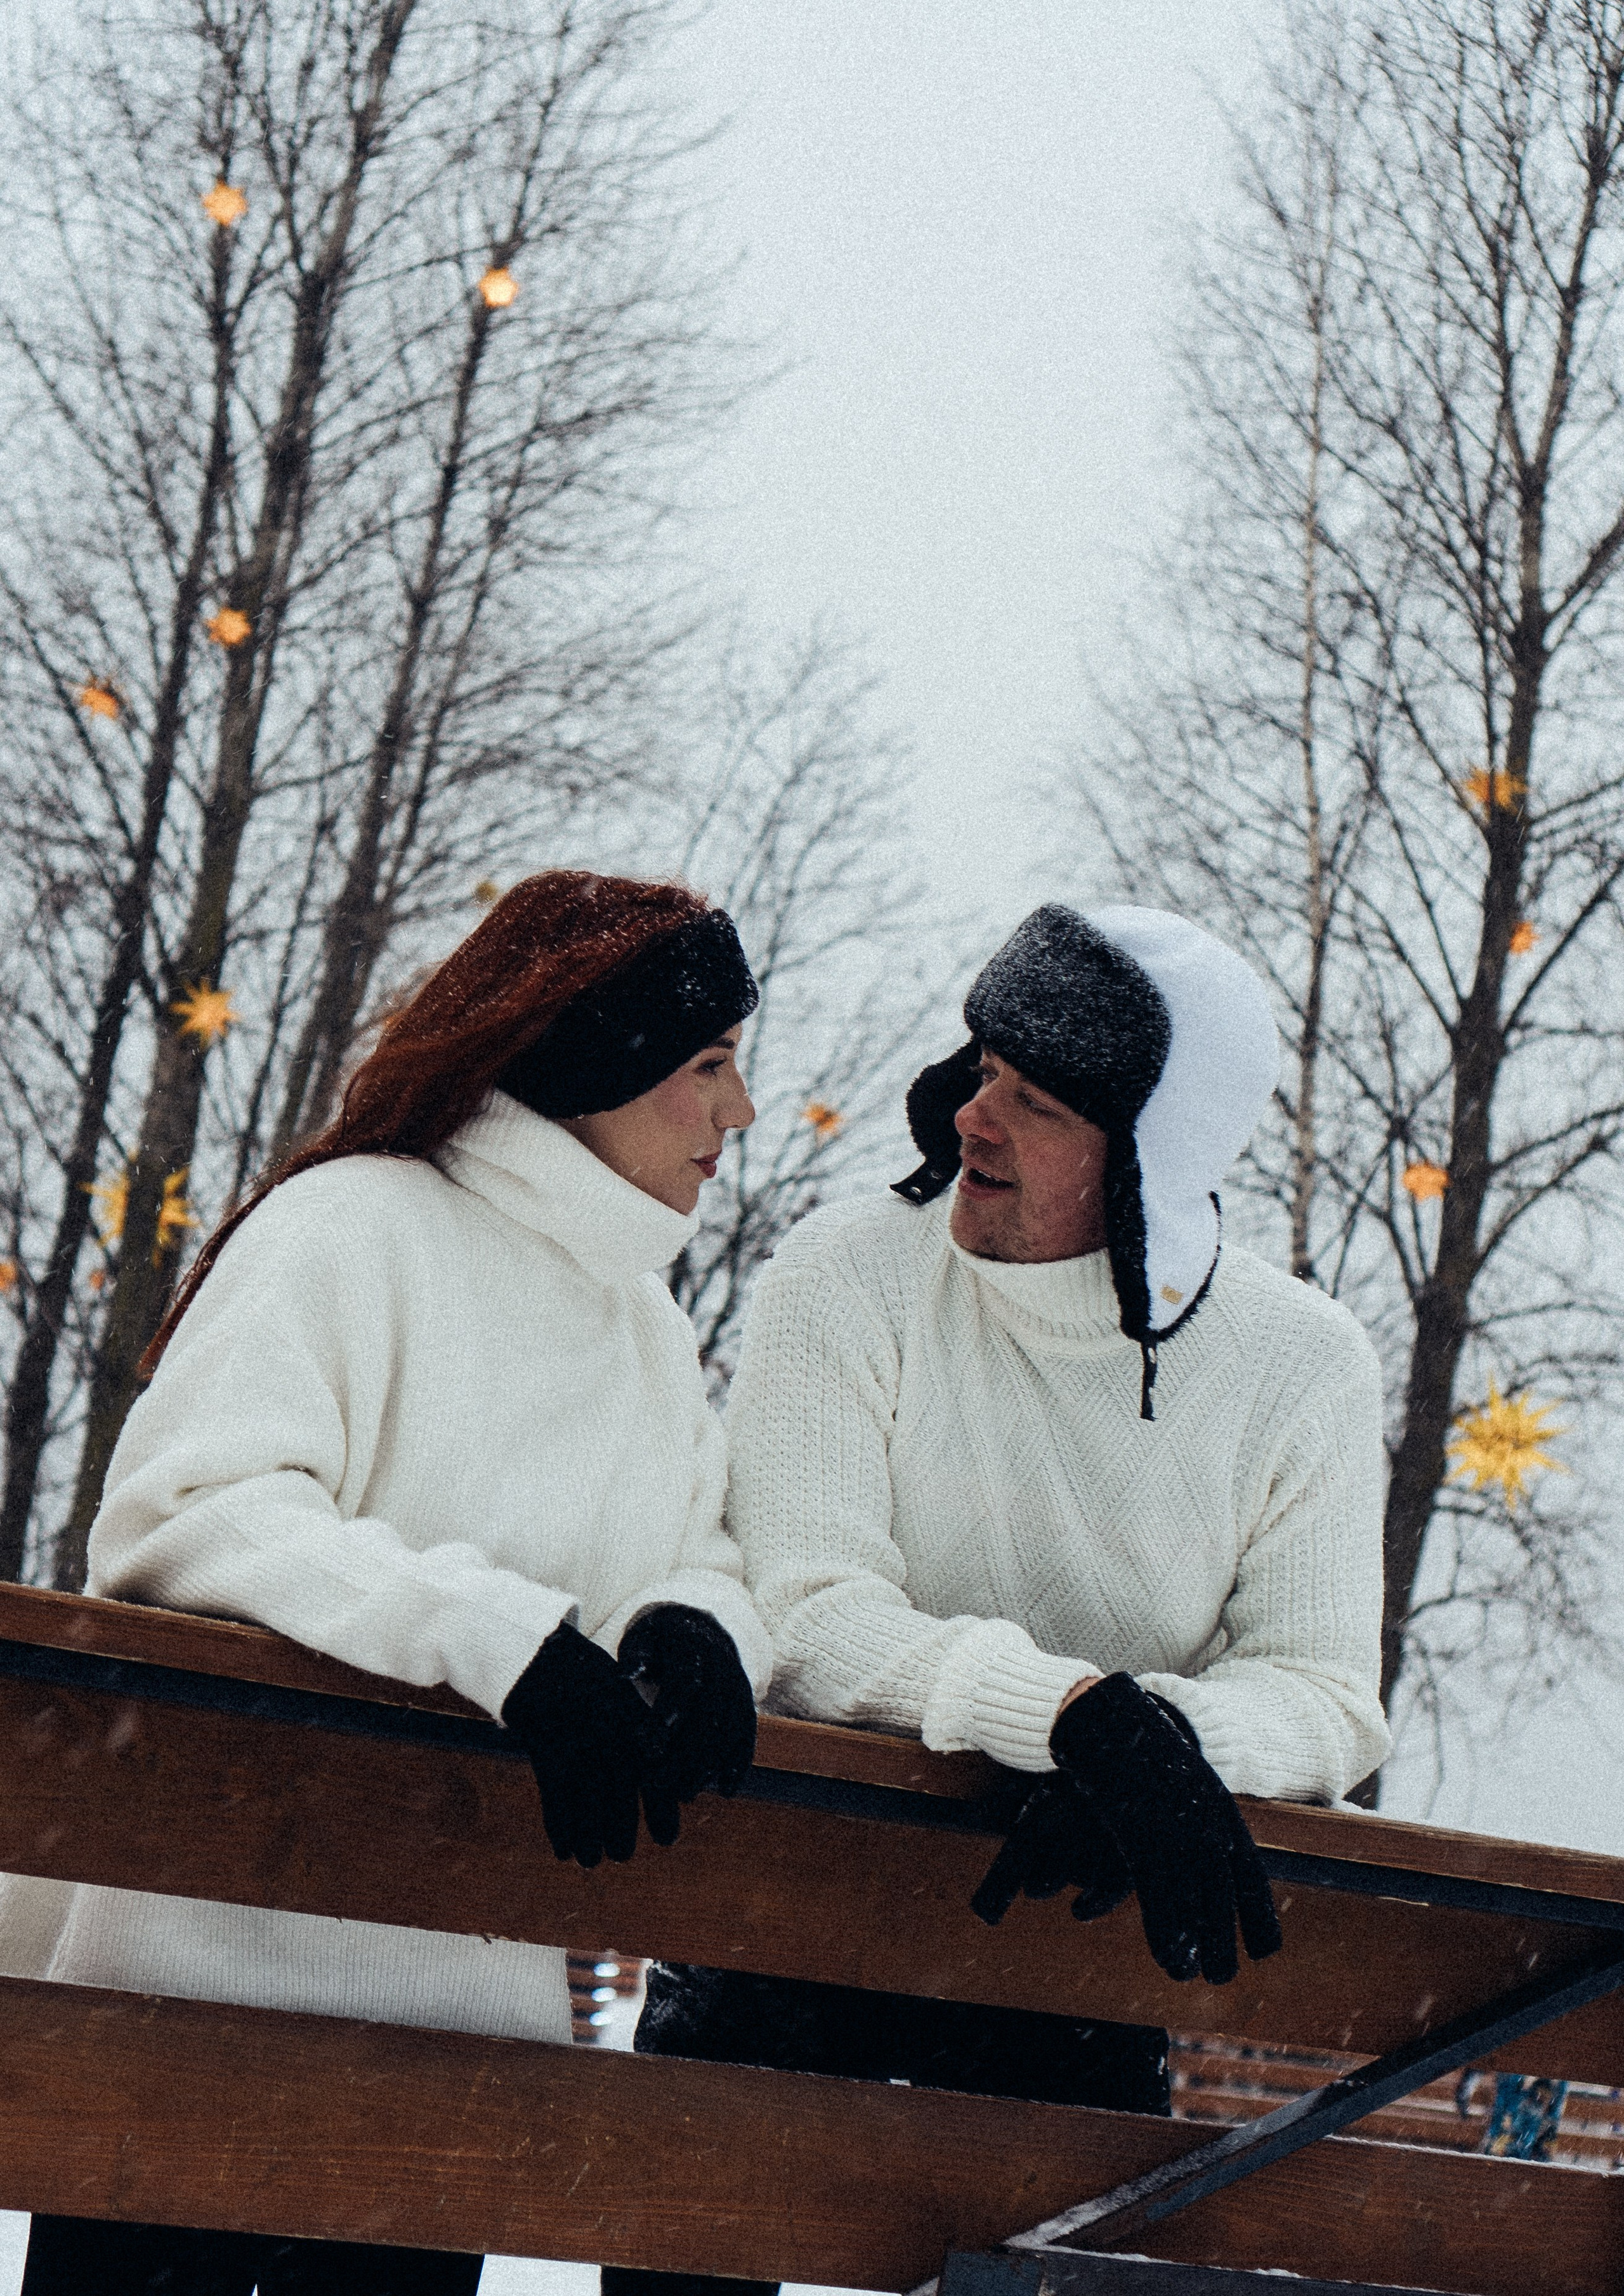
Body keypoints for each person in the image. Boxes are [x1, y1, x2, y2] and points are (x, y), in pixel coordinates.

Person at [10, 870, 773, 2296]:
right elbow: (192, 1512)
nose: (738, 1113)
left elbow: (696, 1553)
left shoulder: (647, 1334)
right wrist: (495, 1637)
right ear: (597, 1070)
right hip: (200, 2015)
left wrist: (693, 1629)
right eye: (708, 1067)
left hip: (455, 2057)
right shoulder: (353, 1228)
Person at [612, 902, 1388, 2296]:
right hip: (782, 1916)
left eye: (1033, 1104)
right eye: (980, 1073)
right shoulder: (845, 1276)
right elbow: (807, 1608)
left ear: (1149, 1159)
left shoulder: (1298, 1368)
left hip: (1062, 1946)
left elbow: (1324, 1692)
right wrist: (1073, 1715)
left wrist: (1153, 1746)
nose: (974, 1118)